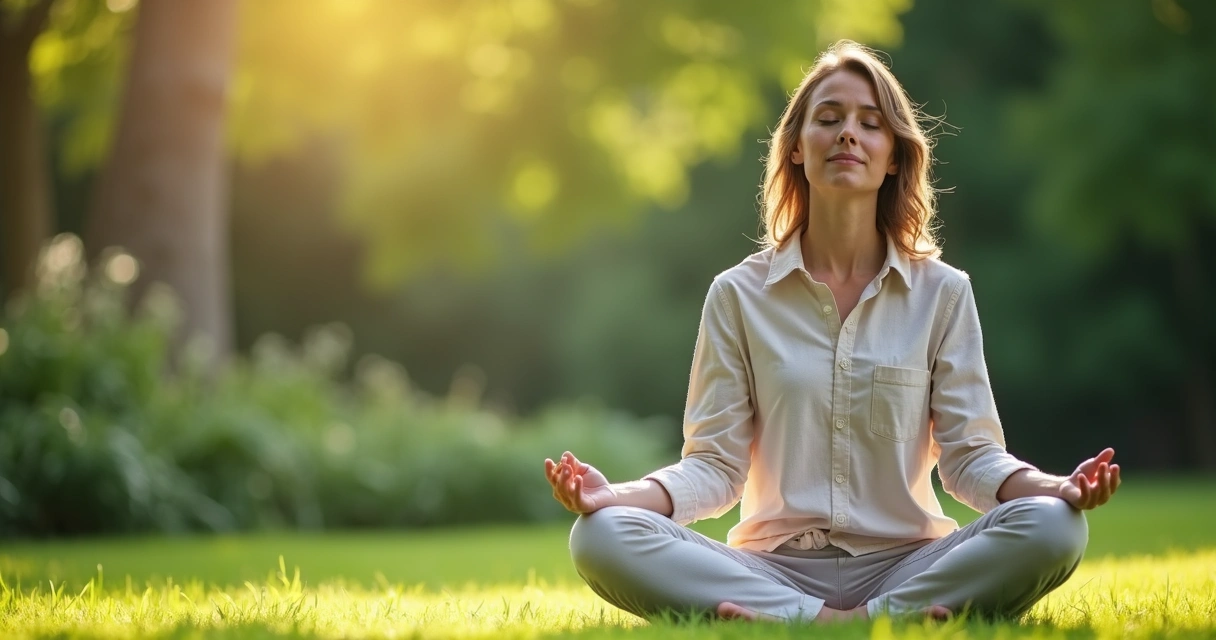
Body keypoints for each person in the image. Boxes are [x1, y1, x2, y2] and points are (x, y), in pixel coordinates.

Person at [542, 39, 1121, 624]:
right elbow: (714, 467)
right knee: (600, 537)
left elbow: (970, 458)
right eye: (829, 119)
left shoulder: (943, 292)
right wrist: (614, 497)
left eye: (871, 124)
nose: (849, 133)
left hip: (909, 561)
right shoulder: (738, 295)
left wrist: (1054, 487)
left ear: (894, 156)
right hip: (770, 566)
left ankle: (813, 622)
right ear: (796, 149)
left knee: (1052, 526)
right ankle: (855, 622)